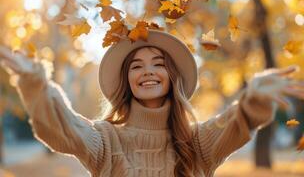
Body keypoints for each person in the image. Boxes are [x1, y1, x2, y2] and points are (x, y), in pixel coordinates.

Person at [0, 30, 303, 177]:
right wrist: (35, 84)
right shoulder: (105, 140)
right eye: (136, 66)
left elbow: (236, 121)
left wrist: (254, 99)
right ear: (126, 80)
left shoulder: (197, 143)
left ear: (171, 76)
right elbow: (63, 127)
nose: (147, 71)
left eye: (158, 64)